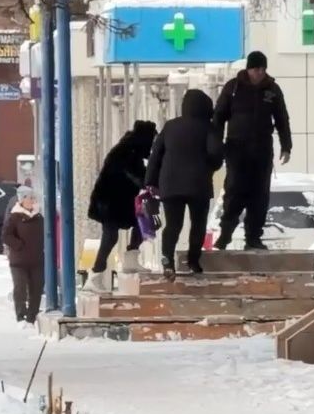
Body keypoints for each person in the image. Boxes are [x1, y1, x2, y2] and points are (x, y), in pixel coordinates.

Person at [213, 50, 292, 250]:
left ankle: (253, 237)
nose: (260, 72)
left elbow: (282, 118)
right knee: (234, 192)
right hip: (237, 148)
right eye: (257, 68)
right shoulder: (233, 88)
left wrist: (286, 145)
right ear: (249, 69)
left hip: (262, 150)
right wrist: (216, 143)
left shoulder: (272, 90)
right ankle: (226, 233)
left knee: (260, 195)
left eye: (263, 69)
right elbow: (219, 116)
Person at [145, 89, 221, 276]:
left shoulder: (170, 126)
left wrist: (150, 181)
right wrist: (209, 167)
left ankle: (167, 260)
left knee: (173, 225)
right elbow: (216, 153)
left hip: (170, 184)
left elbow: (156, 155)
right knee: (198, 224)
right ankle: (193, 261)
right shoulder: (208, 127)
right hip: (198, 184)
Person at [88, 120, 157, 279]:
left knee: (143, 221)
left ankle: (130, 259)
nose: (152, 147)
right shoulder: (125, 151)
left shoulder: (131, 150)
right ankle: (97, 272)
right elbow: (135, 174)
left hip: (119, 202)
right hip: (110, 202)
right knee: (111, 236)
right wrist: (148, 179)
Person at [2, 186, 45, 324]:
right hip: (19, 261)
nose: (33, 200)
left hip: (36, 259)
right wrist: (18, 245)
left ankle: (32, 316)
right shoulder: (15, 216)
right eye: (30, 198)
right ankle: (21, 315)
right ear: (22, 200)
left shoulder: (39, 217)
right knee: (20, 288)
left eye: (33, 197)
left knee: (36, 288)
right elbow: (6, 236)